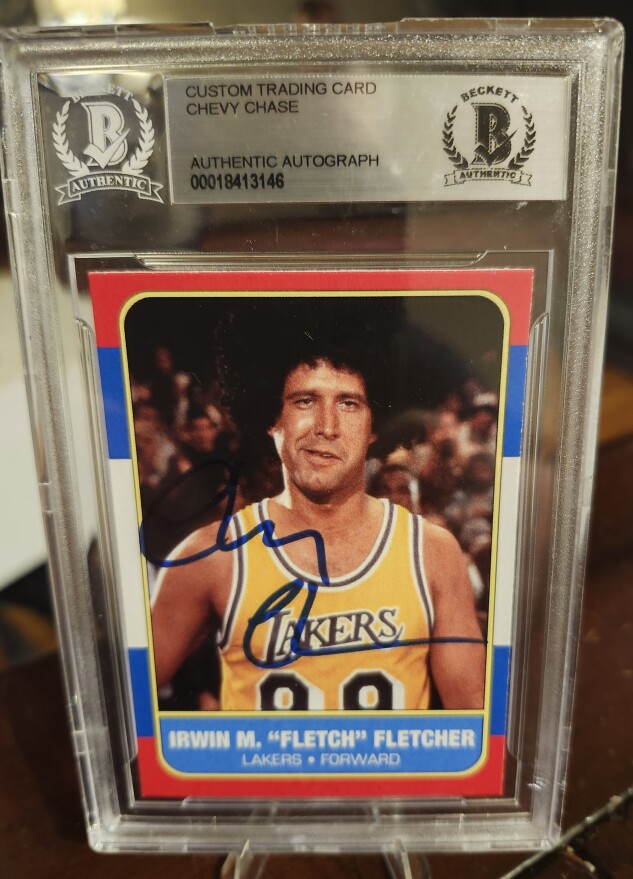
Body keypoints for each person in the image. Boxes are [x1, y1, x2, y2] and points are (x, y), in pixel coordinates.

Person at [150, 299, 485, 711]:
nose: (327, 426)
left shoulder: (432, 552)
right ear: (272, 418)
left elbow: (474, 728)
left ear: (374, 426)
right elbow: (121, 710)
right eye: (305, 401)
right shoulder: (211, 558)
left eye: (348, 404)